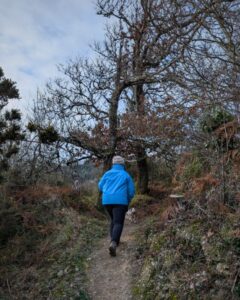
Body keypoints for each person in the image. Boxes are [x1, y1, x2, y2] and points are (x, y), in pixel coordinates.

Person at [98, 155, 135, 256]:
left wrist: (107, 192)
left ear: (113, 164)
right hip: (120, 202)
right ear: (123, 164)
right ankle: (114, 242)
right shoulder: (125, 175)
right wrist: (128, 198)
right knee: (118, 222)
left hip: (106, 201)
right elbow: (131, 191)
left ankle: (114, 242)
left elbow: (100, 186)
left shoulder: (107, 174)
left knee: (113, 221)